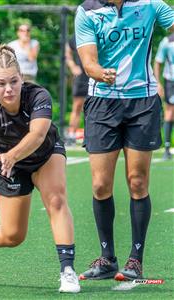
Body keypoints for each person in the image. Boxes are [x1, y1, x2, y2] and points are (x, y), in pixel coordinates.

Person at [0, 43, 80, 293]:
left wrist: (11, 155)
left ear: (22, 78)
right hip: (10, 167)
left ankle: (67, 271)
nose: (9, 88)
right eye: (1, 84)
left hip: (45, 154)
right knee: (13, 235)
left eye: (14, 81)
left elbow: (38, 134)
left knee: (56, 200)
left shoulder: (38, 96)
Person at [75, 0, 174, 281]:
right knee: (100, 184)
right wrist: (99, 72)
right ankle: (107, 259)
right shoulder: (88, 10)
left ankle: (135, 260)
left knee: (138, 181)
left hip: (142, 102)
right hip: (102, 104)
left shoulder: (151, 4)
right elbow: (89, 61)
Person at [65, 35, 89, 146]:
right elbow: (67, 52)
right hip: (81, 77)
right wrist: (73, 66)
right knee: (77, 106)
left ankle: (90, 136)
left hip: (96, 74)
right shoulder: (76, 36)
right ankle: (71, 136)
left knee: (93, 106)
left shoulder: (98, 31)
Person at [155, 33, 174, 160]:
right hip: (171, 81)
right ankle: (166, 149)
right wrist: (157, 82)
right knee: (170, 112)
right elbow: (157, 62)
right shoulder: (167, 41)